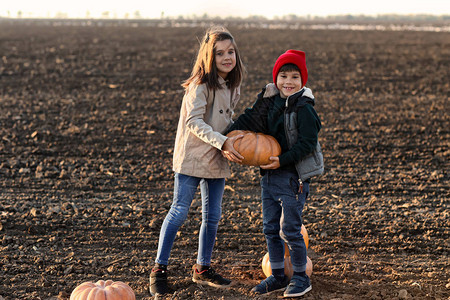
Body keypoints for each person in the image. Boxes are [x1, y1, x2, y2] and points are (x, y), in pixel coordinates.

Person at [149, 26, 246, 296]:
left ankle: (202, 268)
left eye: (231, 52)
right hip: (193, 155)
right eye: (219, 53)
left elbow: (227, 120)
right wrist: (223, 141)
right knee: (179, 211)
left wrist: (239, 138)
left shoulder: (232, 84)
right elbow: (194, 122)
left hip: (216, 156)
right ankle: (159, 269)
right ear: (209, 57)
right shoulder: (200, 85)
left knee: (212, 216)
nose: (227, 57)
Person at [224, 49, 324, 298]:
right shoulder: (270, 101)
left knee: (290, 229)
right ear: (276, 77)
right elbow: (250, 118)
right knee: (270, 227)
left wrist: (282, 161)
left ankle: (301, 277)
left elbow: (307, 144)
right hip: (269, 175)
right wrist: (224, 138)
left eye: (294, 77)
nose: (288, 82)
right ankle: (277, 275)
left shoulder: (305, 108)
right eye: (283, 76)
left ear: (303, 82)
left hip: (293, 177)